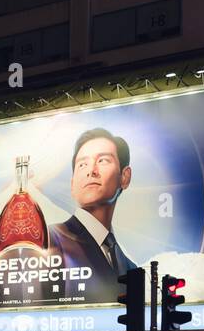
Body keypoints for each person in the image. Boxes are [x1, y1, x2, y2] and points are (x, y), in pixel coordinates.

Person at [47, 128, 137, 299]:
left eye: (102, 160)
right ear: (72, 184)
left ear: (125, 177)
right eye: (82, 164)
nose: (91, 171)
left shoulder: (130, 268)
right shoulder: (49, 241)